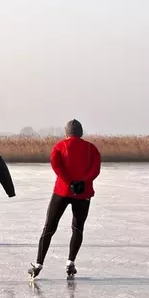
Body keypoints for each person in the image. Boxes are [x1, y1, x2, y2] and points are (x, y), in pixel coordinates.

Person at [29, 119, 101, 279]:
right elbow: (96, 169)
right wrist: (83, 182)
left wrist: (69, 182)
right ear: (81, 132)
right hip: (83, 193)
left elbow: (56, 165)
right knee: (77, 228)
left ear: (66, 132)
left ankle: (39, 263)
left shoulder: (59, 146)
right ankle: (70, 263)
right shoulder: (91, 148)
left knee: (49, 228)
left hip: (61, 191)